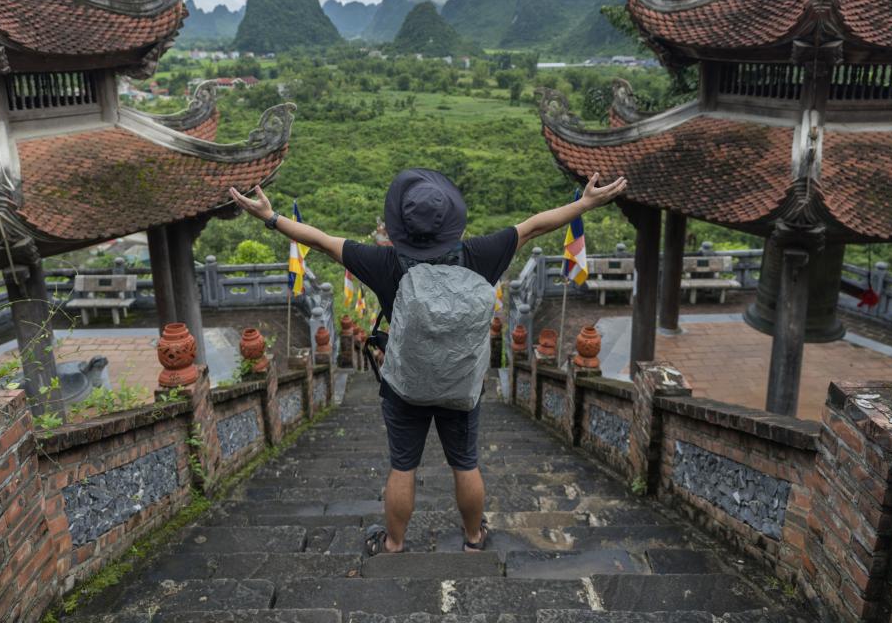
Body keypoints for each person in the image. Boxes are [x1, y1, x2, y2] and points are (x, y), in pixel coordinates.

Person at [229, 168, 627, 555]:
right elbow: (534, 226)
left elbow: (321, 241)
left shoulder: (384, 263)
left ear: (401, 227)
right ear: (451, 221)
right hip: (461, 386)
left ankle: (394, 543)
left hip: (404, 386)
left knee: (403, 466)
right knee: (465, 463)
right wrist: (585, 204)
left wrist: (271, 217)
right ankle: (473, 538)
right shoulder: (479, 254)